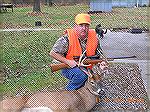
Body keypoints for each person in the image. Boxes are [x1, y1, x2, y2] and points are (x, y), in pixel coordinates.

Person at [49, 13, 107, 91]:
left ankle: (88, 92)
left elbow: (100, 55)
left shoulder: (94, 38)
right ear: (75, 26)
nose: (84, 28)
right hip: (68, 67)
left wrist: (102, 63)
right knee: (81, 75)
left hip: (87, 66)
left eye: (86, 25)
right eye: (81, 25)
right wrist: (68, 61)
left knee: (99, 74)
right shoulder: (67, 38)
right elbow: (53, 53)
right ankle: (67, 93)